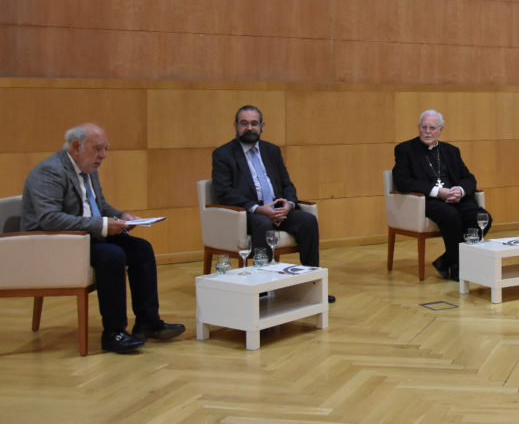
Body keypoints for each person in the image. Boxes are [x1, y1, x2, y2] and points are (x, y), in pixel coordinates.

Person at [21, 123, 185, 354]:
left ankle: (148, 321)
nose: (103, 155)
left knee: (141, 249)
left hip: (85, 237)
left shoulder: (88, 169)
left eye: (106, 149)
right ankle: (113, 333)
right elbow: (50, 219)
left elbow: (99, 206)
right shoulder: (49, 171)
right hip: (55, 244)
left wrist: (121, 216)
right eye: (98, 149)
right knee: (112, 255)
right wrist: (104, 225)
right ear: (77, 146)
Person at [211, 105, 333, 303]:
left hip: (278, 209)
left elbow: (287, 183)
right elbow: (224, 193)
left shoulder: (272, 151)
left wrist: (289, 204)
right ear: (235, 126)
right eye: (244, 124)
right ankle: (264, 289)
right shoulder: (223, 154)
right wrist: (259, 209)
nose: (249, 128)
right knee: (263, 224)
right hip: (248, 212)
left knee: (308, 221)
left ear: (262, 126)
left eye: (254, 123)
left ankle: (311, 286)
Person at [392, 110, 490, 281]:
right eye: (424, 127)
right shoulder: (405, 150)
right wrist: (438, 192)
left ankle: (446, 260)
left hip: (455, 198)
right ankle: (457, 267)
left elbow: (469, 178)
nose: (428, 132)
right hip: (427, 200)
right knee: (450, 216)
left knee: (483, 218)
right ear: (419, 128)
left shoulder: (451, 151)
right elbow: (402, 181)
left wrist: (459, 190)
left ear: (440, 129)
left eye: (432, 128)